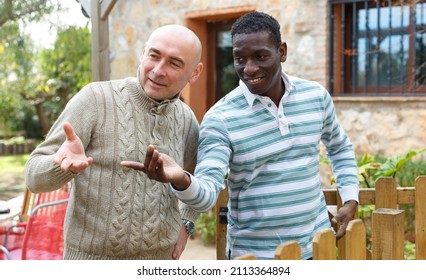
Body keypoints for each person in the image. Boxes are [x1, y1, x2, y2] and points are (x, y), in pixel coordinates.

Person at [122, 11, 360, 260]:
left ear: (282, 52)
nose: (249, 68)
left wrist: (351, 198)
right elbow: (207, 195)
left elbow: (339, 147)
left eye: (260, 56)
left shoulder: (316, 97)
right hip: (254, 257)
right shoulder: (220, 118)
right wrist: (181, 179)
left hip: (317, 247)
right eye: (239, 58)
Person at [24, 24, 203, 260]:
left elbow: (198, 178)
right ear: (143, 53)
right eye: (154, 55)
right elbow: (33, 177)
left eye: (174, 63)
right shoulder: (95, 100)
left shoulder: (187, 119)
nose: (158, 70)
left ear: (195, 73)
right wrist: (61, 166)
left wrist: (187, 222)